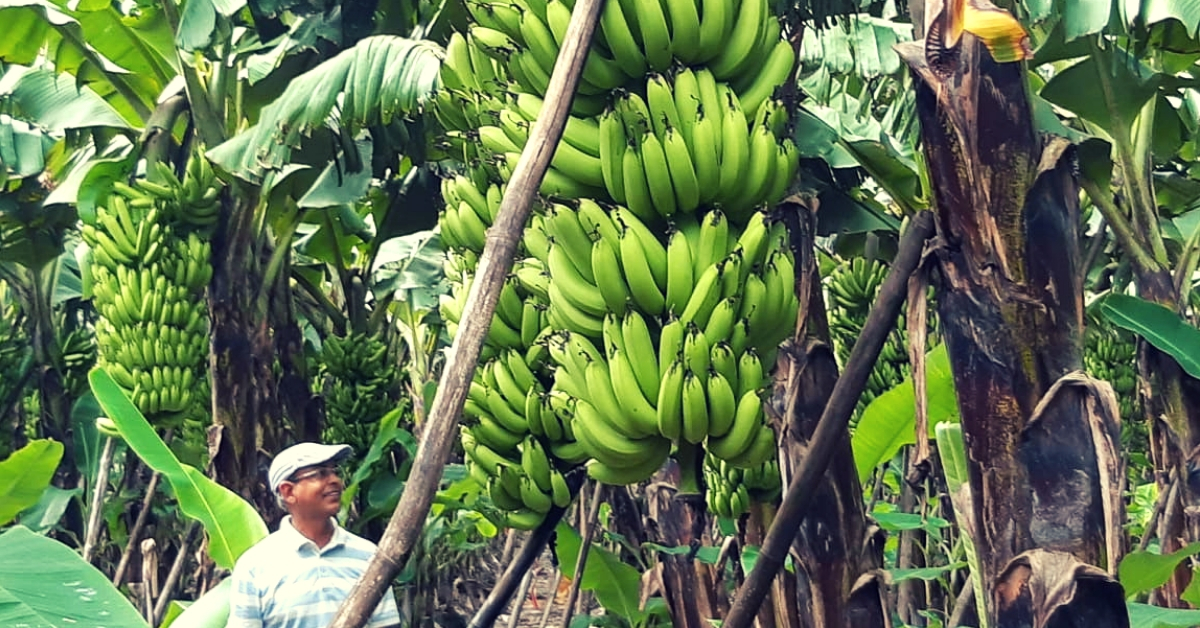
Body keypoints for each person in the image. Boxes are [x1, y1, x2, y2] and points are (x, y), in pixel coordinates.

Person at [227, 442, 401, 628]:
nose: (334, 480)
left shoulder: (368, 556)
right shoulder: (255, 566)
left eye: (335, 471)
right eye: (320, 474)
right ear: (288, 491)